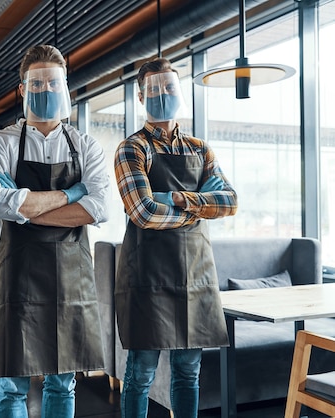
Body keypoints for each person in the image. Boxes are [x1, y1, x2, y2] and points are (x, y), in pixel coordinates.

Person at [0, 44, 110, 418]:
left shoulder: (85, 145)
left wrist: (25, 208)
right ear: (22, 89)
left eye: (53, 82)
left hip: (71, 277)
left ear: (65, 85)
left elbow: (98, 208)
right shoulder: (0, 142)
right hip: (18, 275)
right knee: (11, 384)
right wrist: (72, 195)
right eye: (36, 83)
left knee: (62, 381)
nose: (46, 89)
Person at [113, 57, 238, 418]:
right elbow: (143, 212)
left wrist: (180, 198)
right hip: (147, 277)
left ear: (179, 91)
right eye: (154, 89)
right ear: (140, 98)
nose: (163, 94)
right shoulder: (132, 148)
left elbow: (230, 202)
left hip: (196, 277)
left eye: (169, 87)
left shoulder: (200, 148)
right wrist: (200, 205)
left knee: (188, 373)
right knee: (140, 374)